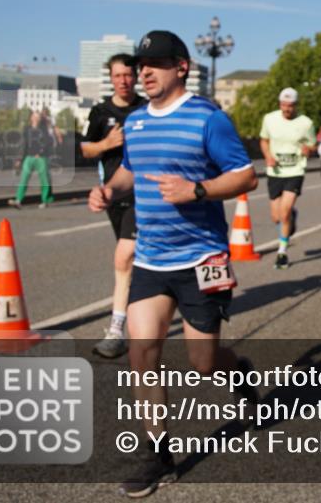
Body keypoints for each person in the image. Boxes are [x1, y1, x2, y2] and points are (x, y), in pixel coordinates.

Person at [87, 30, 258, 497]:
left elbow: (247, 176)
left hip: (204, 257)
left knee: (205, 363)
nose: (144, 71)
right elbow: (129, 171)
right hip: (152, 258)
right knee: (143, 354)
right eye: (141, 64)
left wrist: (197, 190)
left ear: (181, 66)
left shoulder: (208, 118)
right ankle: (158, 454)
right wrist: (109, 190)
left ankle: (236, 370)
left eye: (156, 63)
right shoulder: (137, 122)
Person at [81, 53, 147, 358]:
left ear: (135, 77)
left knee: (124, 256)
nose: (124, 81)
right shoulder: (100, 112)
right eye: (118, 76)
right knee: (131, 262)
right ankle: (145, 310)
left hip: (143, 193)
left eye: (128, 75)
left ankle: (116, 330)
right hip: (112, 194)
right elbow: (85, 150)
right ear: (111, 78)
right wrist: (107, 144)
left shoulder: (146, 109)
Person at [259, 88, 316, 269]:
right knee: (276, 217)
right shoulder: (269, 119)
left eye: (290, 106)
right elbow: (264, 140)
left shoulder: (306, 123)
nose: (286, 109)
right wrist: (267, 155)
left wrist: (309, 149)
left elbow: (312, 144)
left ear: (296, 105)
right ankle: (291, 217)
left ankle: (282, 252)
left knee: (284, 212)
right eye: (283, 105)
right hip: (275, 172)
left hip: (295, 171)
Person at [8, 111, 55, 209]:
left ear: (40, 119)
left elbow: (49, 142)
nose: (35, 118)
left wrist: (41, 153)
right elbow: (23, 145)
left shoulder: (44, 129)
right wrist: (19, 159)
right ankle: (18, 200)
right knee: (24, 179)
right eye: (34, 116)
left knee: (44, 180)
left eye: (37, 117)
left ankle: (45, 200)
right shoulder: (27, 129)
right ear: (31, 118)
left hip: (41, 158)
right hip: (29, 157)